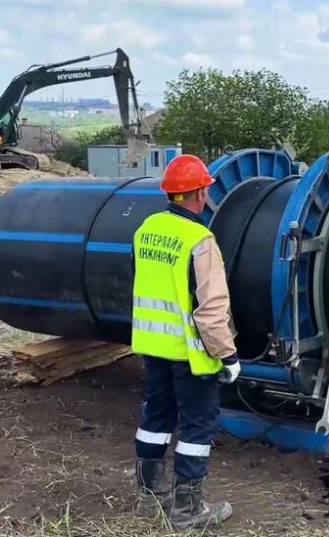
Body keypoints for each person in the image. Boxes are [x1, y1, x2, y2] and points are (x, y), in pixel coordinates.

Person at [131, 154, 240, 529]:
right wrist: (228, 355)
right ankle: (187, 510)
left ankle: (149, 498)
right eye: (206, 189)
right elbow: (210, 310)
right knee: (198, 427)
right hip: (191, 354)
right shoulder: (200, 240)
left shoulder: (146, 229)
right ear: (198, 193)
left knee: (156, 418)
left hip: (153, 345)